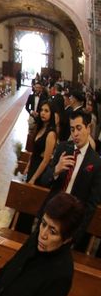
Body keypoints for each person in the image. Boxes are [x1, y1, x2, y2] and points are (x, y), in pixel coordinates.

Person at [41, 109, 101, 255]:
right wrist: (55, 171)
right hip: (51, 216)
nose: (75, 134)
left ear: (88, 128)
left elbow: (91, 205)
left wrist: (76, 235)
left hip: (71, 225)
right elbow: (44, 181)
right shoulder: (63, 148)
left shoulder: (96, 162)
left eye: (79, 128)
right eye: (72, 129)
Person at [25, 101, 56, 185]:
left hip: (40, 169)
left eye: (46, 111)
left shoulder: (51, 133)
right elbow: (34, 151)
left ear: (51, 113)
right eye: (41, 110)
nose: (43, 113)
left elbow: (46, 160)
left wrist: (34, 178)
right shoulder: (40, 128)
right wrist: (28, 166)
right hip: (33, 165)